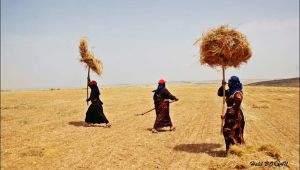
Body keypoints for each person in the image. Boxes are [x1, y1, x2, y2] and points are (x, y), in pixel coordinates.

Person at [218, 76, 245, 153]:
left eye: (230, 82)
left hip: (236, 116)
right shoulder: (229, 92)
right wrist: (222, 86)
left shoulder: (238, 93)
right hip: (229, 116)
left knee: (234, 133)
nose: (229, 84)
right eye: (228, 82)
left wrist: (225, 115)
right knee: (227, 132)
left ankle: (237, 150)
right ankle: (230, 150)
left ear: (234, 83)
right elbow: (219, 93)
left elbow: (236, 106)